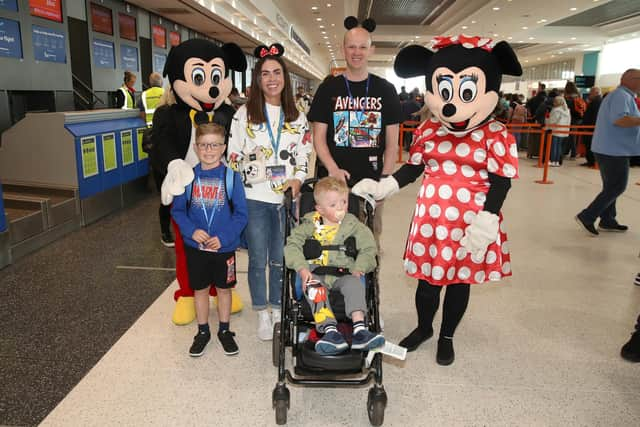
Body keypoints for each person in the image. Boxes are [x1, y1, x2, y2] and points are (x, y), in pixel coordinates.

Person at [354, 35, 522, 365]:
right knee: (428, 282)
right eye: (444, 91)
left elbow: (501, 182)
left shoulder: (496, 135)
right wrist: (384, 186)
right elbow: (413, 170)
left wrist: (488, 217)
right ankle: (423, 328)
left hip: (472, 222)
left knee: (459, 282)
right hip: (432, 220)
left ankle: (447, 336)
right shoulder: (429, 130)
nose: (451, 104)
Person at [154, 38, 247, 325]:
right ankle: (186, 293)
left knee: (222, 245)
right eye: (199, 77)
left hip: (221, 193)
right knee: (187, 248)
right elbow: (160, 145)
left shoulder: (228, 113)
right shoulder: (168, 114)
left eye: (216, 77)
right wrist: (173, 165)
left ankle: (223, 291)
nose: (211, 87)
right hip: (188, 196)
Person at [227, 43, 313, 341]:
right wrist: (256, 166)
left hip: (285, 200)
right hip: (254, 199)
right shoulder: (243, 114)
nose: (272, 78)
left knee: (280, 258)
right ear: (258, 79)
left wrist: (298, 180)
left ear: (285, 78)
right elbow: (232, 155)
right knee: (257, 260)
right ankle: (262, 312)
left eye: (277, 72)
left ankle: (278, 307)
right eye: (265, 73)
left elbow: (304, 155)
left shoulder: (297, 116)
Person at [308, 16, 402, 248]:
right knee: (328, 243)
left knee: (368, 245)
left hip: (371, 182)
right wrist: (332, 169)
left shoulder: (385, 90)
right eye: (351, 46)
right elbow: (318, 138)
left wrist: (384, 182)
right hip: (332, 183)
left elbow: (392, 144)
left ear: (371, 50)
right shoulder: (328, 88)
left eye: (362, 47)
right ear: (343, 49)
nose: (356, 52)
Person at [171, 123, 248, 357]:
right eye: (204, 145)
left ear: (223, 147)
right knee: (200, 290)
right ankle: (203, 331)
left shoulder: (232, 178)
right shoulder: (187, 178)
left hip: (223, 248)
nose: (209, 150)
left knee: (224, 290)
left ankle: (224, 330)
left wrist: (224, 237)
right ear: (196, 147)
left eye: (214, 145)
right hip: (196, 248)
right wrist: (192, 231)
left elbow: (241, 215)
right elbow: (177, 211)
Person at [283, 177, 384, 355]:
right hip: (316, 273)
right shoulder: (310, 224)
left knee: (354, 284)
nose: (340, 207)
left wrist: (360, 266)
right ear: (319, 209)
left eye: (344, 202)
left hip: (345, 273)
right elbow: (292, 245)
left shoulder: (354, 225)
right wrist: (302, 268)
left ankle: (360, 330)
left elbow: (369, 248)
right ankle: (330, 332)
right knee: (314, 287)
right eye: (333, 204)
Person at [575, 69, 640, 236]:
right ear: (631, 79)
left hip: (611, 148)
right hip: (614, 150)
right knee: (617, 186)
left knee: (611, 186)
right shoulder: (621, 96)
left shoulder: (623, 96)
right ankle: (587, 216)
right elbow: (620, 119)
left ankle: (608, 219)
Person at [580, 86, 603, 167]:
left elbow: (594, 116)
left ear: (596, 93)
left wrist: (588, 127)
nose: (589, 95)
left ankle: (592, 161)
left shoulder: (596, 102)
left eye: (591, 93)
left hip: (591, 128)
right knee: (589, 145)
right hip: (592, 127)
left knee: (589, 145)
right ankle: (591, 161)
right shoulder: (598, 101)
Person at [546, 96, 571, 166]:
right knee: (559, 147)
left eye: (555, 101)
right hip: (564, 131)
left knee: (554, 146)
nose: (553, 102)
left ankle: (552, 160)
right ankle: (557, 161)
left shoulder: (556, 110)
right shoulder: (567, 110)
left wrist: (547, 122)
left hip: (555, 130)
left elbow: (553, 121)